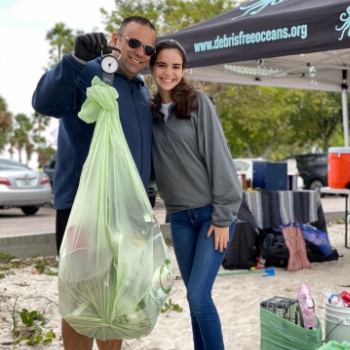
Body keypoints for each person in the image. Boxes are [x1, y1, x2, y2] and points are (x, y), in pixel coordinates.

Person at [32, 16, 157, 350]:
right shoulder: (90, 72)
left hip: (128, 212)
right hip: (83, 208)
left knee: (117, 298)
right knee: (82, 298)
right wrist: (73, 61)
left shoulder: (142, 90)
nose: (141, 53)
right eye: (134, 43)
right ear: (116, 38)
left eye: (149, 48)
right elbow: (44, 102)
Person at [149, 39, 243, 350]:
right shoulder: (149, 114)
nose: (168, 72)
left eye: (176, 66)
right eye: (162, 65)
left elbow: (220, 158)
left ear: (184, 70)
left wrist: (223, 216)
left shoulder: (198, 103)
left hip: (209, 217)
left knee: (199, 297)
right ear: (151, 68)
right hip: (178, 219)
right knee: (193, 302)